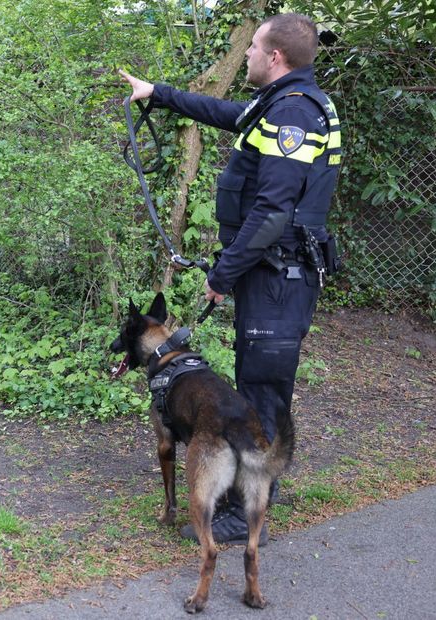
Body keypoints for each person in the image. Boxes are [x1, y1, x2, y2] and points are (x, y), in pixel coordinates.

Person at [120, 13, 341, 544]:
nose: (244, 54)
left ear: (275, 57)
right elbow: (224, 112)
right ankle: (245, 499)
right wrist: (160, 93)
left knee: (262, 395)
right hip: (267, 277)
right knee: (254, 389)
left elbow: (272, 211)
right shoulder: (278, 103)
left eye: (253, 47)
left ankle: (248, 515)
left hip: (278, 279)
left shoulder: (294, 115)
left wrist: (223, 273)